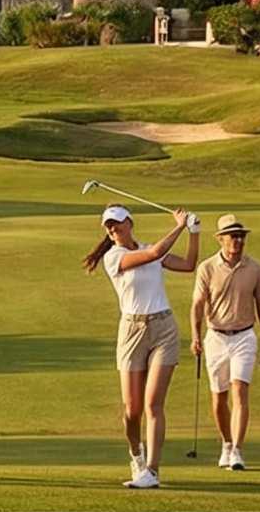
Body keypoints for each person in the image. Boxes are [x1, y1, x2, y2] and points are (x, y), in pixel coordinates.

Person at [82, 202, 198, 489]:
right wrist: (179, 226)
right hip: (132, 330)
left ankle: (153, 472)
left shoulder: (148, 247)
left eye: (117, 222)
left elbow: (188, 265)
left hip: (164, 328)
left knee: (153, 404)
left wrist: (194, 232)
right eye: (108, 225)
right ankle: (137, 457)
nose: (112, 228)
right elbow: (155, 254)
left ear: (130, 222)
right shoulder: (114, 257)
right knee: (132, 410)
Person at [189, 214, 260, 471]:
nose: (238, 240)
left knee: (240, 390)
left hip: (244, 335)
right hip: (216, 337)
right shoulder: (207, 268)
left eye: (241, 236)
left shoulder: (254, 267)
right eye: (233, 236)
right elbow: (198, 305)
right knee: (219, 398)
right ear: (221, 239)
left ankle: (237, 449)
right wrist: (195, 335)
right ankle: (226, 442)